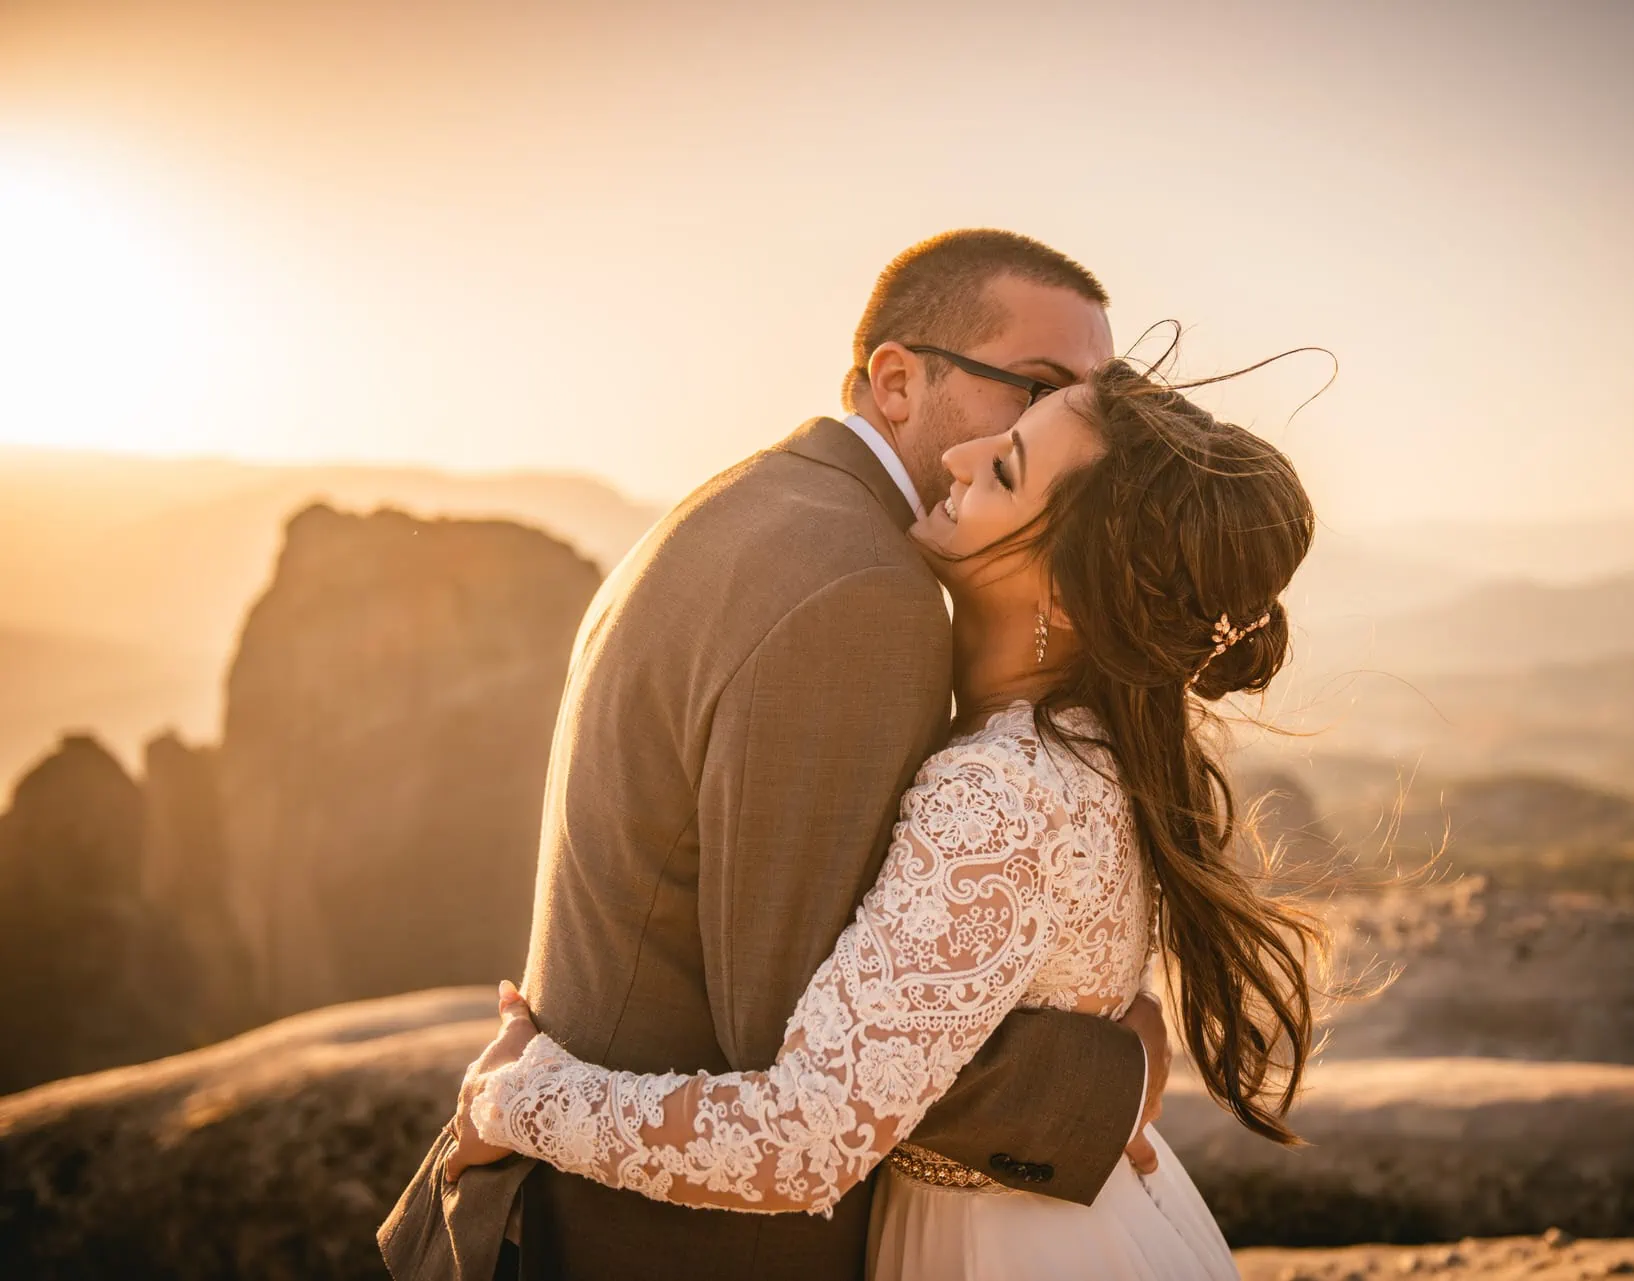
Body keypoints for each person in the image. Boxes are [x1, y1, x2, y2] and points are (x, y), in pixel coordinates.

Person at [380, 230, 1175, 1281]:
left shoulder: (773, 506)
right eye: (1035, 388)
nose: (1070, 426)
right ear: (896, 382)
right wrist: (1103, 1071)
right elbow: (803, 1047)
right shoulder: (861, 591)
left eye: (1090, 401)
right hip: (658, 1248)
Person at [443, 355, 1323, 1281]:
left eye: (1009, 467)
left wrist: (518, 1096)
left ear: (1062, 594)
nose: (963, 457)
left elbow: (806, 1137)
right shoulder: (1100, 744)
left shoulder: (995, 793)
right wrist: (1125, 1068)